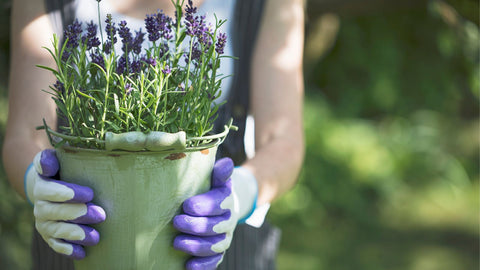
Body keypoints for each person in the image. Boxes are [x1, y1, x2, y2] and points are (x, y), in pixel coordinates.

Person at [2, 0, 304, 269]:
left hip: (214, 248)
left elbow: (283, 139)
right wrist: (37, 183)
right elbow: (24, 133)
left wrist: (240, 193)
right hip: (77, 239)